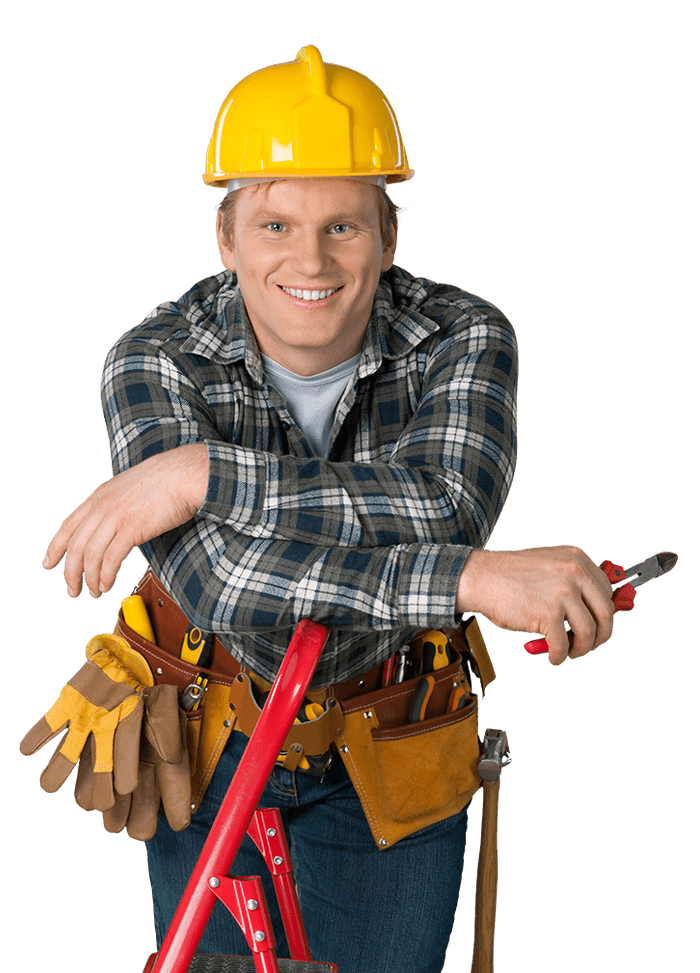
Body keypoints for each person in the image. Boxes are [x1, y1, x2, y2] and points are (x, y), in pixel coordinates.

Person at [42, 46, 615, 972]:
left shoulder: (464, 337)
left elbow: (446, 506)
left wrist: (208, 474)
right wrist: (466, 582)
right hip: (210, 736)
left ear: (388, 234)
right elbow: (224, 582)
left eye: (342, 225)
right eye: (274, 223)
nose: (309, 260)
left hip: (396, 731)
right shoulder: (154, 358)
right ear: (227, 238)